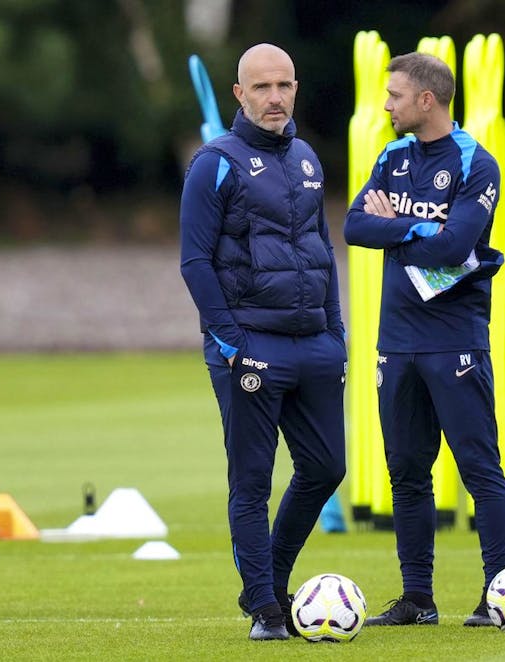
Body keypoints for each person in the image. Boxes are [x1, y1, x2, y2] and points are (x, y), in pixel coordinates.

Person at [179, 43, 348, 641]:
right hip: (249, 347)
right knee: (252, 479)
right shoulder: (215, 163)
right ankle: (265, 609)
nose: (274, 98)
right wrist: (230, 340)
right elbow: (195, 262)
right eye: (262, 88)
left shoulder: (305, 157)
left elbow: (322, 250)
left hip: (314, 346)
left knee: (327, 467)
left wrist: (337, 335)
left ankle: (272, 581)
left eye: (284, 86)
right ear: (239, 94)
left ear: (295, 89)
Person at [343, 52, 505, 628]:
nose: (385, 105)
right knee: (407, 473)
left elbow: (455, 245)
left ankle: (501, 595)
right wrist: (418, 227)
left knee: (478, 468)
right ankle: (418, 599)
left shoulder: (476, 162)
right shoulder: (391, 156)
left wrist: (397, 229)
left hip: (454, 339)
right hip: (396, 341)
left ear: (426, 100)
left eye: (394, 95)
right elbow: (353, 226)